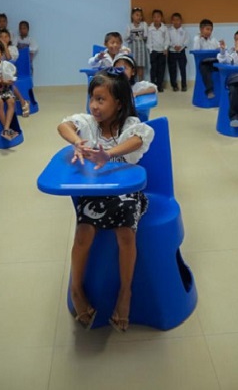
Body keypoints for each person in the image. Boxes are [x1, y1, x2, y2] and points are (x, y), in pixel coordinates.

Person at [57, 68, 154, 332]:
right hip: (97, 194)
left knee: (126, 235)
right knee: (82, 234)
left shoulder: (130, 125)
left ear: (119, 103)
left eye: (102, 100)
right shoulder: (88, 124)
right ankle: (76, 289)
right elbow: (63, 125)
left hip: (128, 194)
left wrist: (109, 154)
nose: (94, 105)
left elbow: (140, 138)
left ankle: (125, 293)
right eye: (92, 98)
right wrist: (77, 142)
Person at [0, 28, 31, 116]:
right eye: (1, 37)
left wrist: (5, 47)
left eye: (6, 37)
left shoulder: (13, 48)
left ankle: (23, 102)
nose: (3, 39)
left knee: (8, 81)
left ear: (9, 38)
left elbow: (9, 59)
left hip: (11, 71)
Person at [192, 18, 223, 99]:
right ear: (201, 29)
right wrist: (199, 39)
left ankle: (226, 88)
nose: (209, 31)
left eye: (211, 30)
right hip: (203, 62)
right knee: (206, 70)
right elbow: (196, 50)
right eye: (207, 29)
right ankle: (209, 91)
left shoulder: (213, 39)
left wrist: (221, 47)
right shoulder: (197, 39)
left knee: (224, 66)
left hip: (214, 61)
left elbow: (218, 49)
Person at [146, 9, 169, 92]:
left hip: (162, 52)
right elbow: (149, 40)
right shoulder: (150, 28)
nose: (156, 19)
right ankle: (153, 85)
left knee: (161, 70)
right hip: (154, 52)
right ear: (152, 18)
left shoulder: (164, 28)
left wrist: (165, 48)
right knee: (153, 69)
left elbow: (167, 39)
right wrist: (151, 50)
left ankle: (160, 85)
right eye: (154, 17)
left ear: (161, 18)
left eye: (158, 17)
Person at [167, 12, 189, 92]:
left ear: (181, 21)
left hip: (181, 52)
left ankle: (184, 85)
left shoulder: (184, 31)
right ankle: (174, 85)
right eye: (174, 20)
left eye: (178, 20)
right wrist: (173, 46)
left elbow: (187, 40)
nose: (176, 22)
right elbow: (167, 40)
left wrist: (181, 46)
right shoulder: (169, 31)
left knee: (183, 69)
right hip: (172, 52)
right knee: (172, 69)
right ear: (171, 21)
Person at [125, 7, 148, 81]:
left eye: (140, 15)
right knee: (133, 65)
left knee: (141, 66)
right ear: (132, 16)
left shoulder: (144, 24)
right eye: (137, 15)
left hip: (141, 47)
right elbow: (126, 38)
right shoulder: (129, 26)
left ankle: (141, 82)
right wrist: (132, 36)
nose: (139, 17)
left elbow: (146, 36)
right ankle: (132, 82)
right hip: (133, 47)